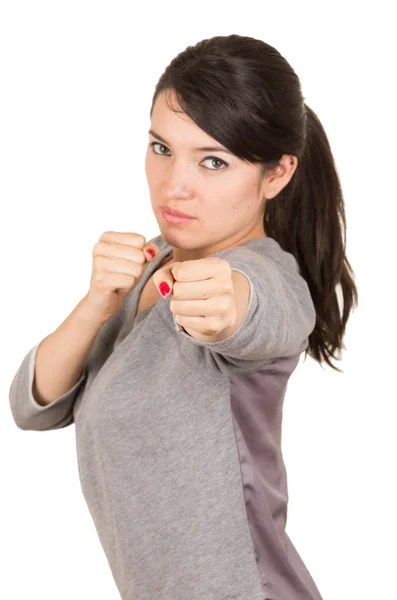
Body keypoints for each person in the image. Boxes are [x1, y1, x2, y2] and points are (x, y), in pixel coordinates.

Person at [9, 34, 358, 600]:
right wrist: (97, 301)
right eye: (162, 147)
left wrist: (226, 312)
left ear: (277, 174)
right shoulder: (147, 266)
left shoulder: (268, 277)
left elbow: (258, 314)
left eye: (213, 161)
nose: (174, 185)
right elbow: (33, 406)